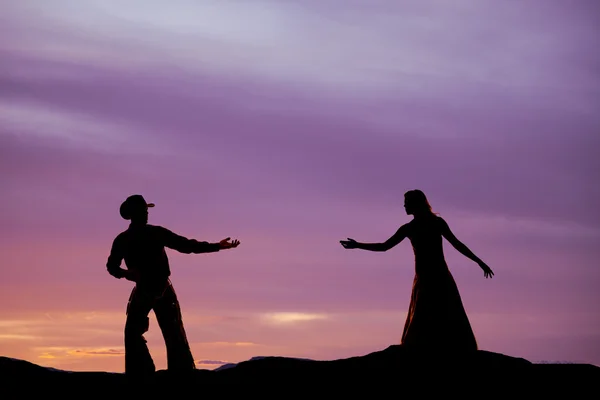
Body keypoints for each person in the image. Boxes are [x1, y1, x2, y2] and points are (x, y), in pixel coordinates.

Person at [340, 189, 493, 354]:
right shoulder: (410, 228)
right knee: (429, 312)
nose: (404, 206)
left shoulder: (433, 223)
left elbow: (457, 244)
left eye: (407, 203)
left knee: (442, 311)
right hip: (426, 277)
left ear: (416, 204)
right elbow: (384, 246)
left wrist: (479, 261)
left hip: (437, 276)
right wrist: (358, 245)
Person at [106, 194, 240, 377]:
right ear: (137, 213)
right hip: (155, 290)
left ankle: (148, 373)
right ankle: (167, 374)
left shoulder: (129, 238)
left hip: (152, 290)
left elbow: (186, 245)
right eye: (144, 211)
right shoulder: (138, 236)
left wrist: (217, 246)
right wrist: (126, 273)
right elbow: (186, 245)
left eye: (147, 211)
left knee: (154, 334)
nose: (147, 214)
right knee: (166, 334)